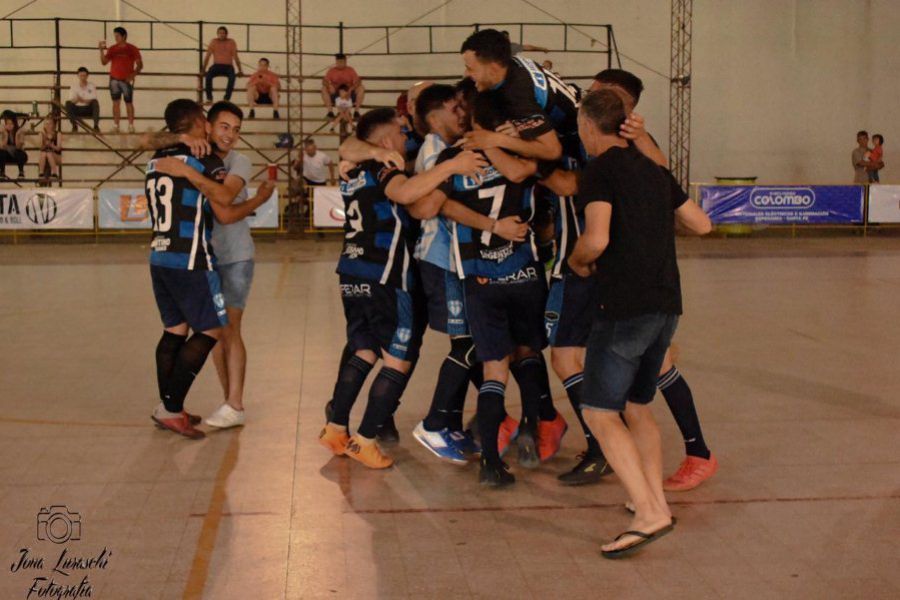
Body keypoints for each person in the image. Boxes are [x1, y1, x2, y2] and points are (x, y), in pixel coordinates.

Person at [568, 89, 712, 558]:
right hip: (666, 304)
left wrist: (578, 261)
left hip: (624, 306)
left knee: (599, 411)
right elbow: (701, 224)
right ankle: (653, 501)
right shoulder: (653, 170)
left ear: (590, 126)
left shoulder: (599, 172)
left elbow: (597, 238)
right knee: (636, 403)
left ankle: (651, 515)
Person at [317, 107, 486, 469]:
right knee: (399, 358)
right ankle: (364, 440)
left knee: (363, 351)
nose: (405, 137)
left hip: (352, 270)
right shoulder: (384, 166)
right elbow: (406, 193)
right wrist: (450, 167)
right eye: (399, 132)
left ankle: (335, 428)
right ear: (385, 140)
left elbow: (349, 148)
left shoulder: (354, 169)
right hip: (387, 274)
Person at [591, 68, 717, 491]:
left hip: (640, 285)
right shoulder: (597, 145)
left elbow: (666, 180)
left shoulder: (636, 148)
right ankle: (644, 477)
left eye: (603, 95)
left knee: (633, 390)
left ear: (627, 105)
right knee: (635, 396)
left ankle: (690, 458)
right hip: (642, 285)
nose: (592, 99)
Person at [431, 90, 549, 485]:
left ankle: (491, 465)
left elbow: (440, 205)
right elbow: (522, 173)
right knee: (528, 352)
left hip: (479, 276)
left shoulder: (453, 158)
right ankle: (531, 429)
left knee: (494, 365)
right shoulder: (520, 152)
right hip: (522, 272)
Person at [145, 99, 273, 439]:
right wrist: (259, 199)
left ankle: (228, 403)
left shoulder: (165, 158)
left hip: (186, 254)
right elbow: (225, 208)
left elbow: (226, 208)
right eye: (223, 127)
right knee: (213, 331)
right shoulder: (203, 158)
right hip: (193, 257)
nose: (230, 135)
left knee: (199, 329)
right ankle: (173, 406)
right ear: (206, 123)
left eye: (236, 129)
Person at [99, 27, 142, 133]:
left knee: (129, 102)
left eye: (117, 36)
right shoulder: (112, 48)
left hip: (126, 80)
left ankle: (131, 125)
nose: (116, 38)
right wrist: (100, 50)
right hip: (114, 79)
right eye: (115, 36)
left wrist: (133, 75)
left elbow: (140, 64)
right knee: (115, 103)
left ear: (124, 36)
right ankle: (116, 125)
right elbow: (104, 62)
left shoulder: (132, 48)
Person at [204, 26, 243, 102]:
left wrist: (240, 70)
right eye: (220, 33)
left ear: (226, 34)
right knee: (208, 76)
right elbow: (207, 56)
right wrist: (203, 69)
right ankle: (209, 98)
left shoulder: (231, 42)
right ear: (217, 34)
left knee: (232, 77)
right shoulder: (214, 41)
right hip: (216, 66)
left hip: (228, 67)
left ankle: (226, 98)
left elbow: (236, 57)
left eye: (223, 33)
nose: (221, 34)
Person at [322, 53, 365, 121]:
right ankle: (330, 112)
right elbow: (324, 81)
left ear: (345, 62)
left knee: (361, 88)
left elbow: (358, 82)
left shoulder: (350, 70)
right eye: (338, 62)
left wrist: (351, 89)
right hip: (336, 96)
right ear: (336, 62)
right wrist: (329, 85)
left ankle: (356, 112)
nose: (340, 63)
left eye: (342, 62)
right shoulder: (331, 70)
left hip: (349, 95)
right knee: (324, 88)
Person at [64, 67, 100, 133]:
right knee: (67, 103)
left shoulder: (91, 86)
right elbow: (72, 101)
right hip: (77, 109)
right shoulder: (73, 86)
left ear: (87, 76)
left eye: (84, 76)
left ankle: (96, 126)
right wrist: (82, 100)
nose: (83, 77)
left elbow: (92, 100)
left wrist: (80, 99)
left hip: (88, 109)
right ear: (78, 76)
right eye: (81, 76)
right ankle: (74, 125)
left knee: (95, 103)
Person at [0, 111, 27, 180]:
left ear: (15, 124)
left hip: (19, 156)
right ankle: (2, 172)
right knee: (1, 152)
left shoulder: (19, 131)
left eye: (11, 123)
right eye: (7, 124)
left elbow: (18, 147)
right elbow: (2, 147)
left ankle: (21, 172)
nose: (9, 125)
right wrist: (6, 135)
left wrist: (17, 135)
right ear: (5, 124)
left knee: (18, 152)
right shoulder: (4, 132)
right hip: (8, 156)